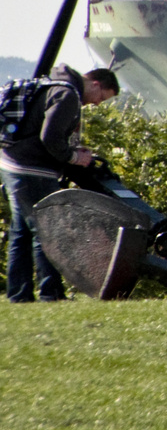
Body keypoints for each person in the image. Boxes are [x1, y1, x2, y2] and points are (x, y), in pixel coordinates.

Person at [1, 65, 120, 303]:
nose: (96, 104)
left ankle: (19, 294)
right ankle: (51, 293)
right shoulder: (68, 96)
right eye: (101, 98)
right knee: (47, 230)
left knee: (22, 232)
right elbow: (50, 137)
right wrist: (76, 157)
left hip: (10, 162)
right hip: (32, 169)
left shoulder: (54, 86)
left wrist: (72, 151)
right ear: (95, 84)